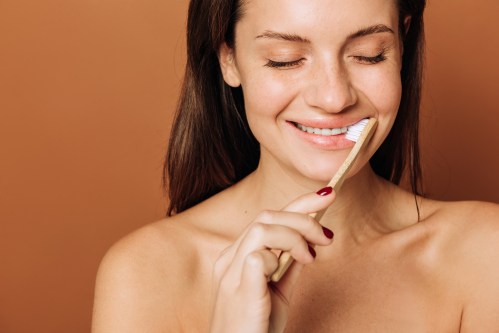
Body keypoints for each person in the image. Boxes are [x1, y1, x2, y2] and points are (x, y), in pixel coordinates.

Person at [92, 0, 499, 331]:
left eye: (368, 55)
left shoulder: (484, 253)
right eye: (285, 59)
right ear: (229, 59)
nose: (334, 97)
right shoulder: (145, 275)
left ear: (402, 49)